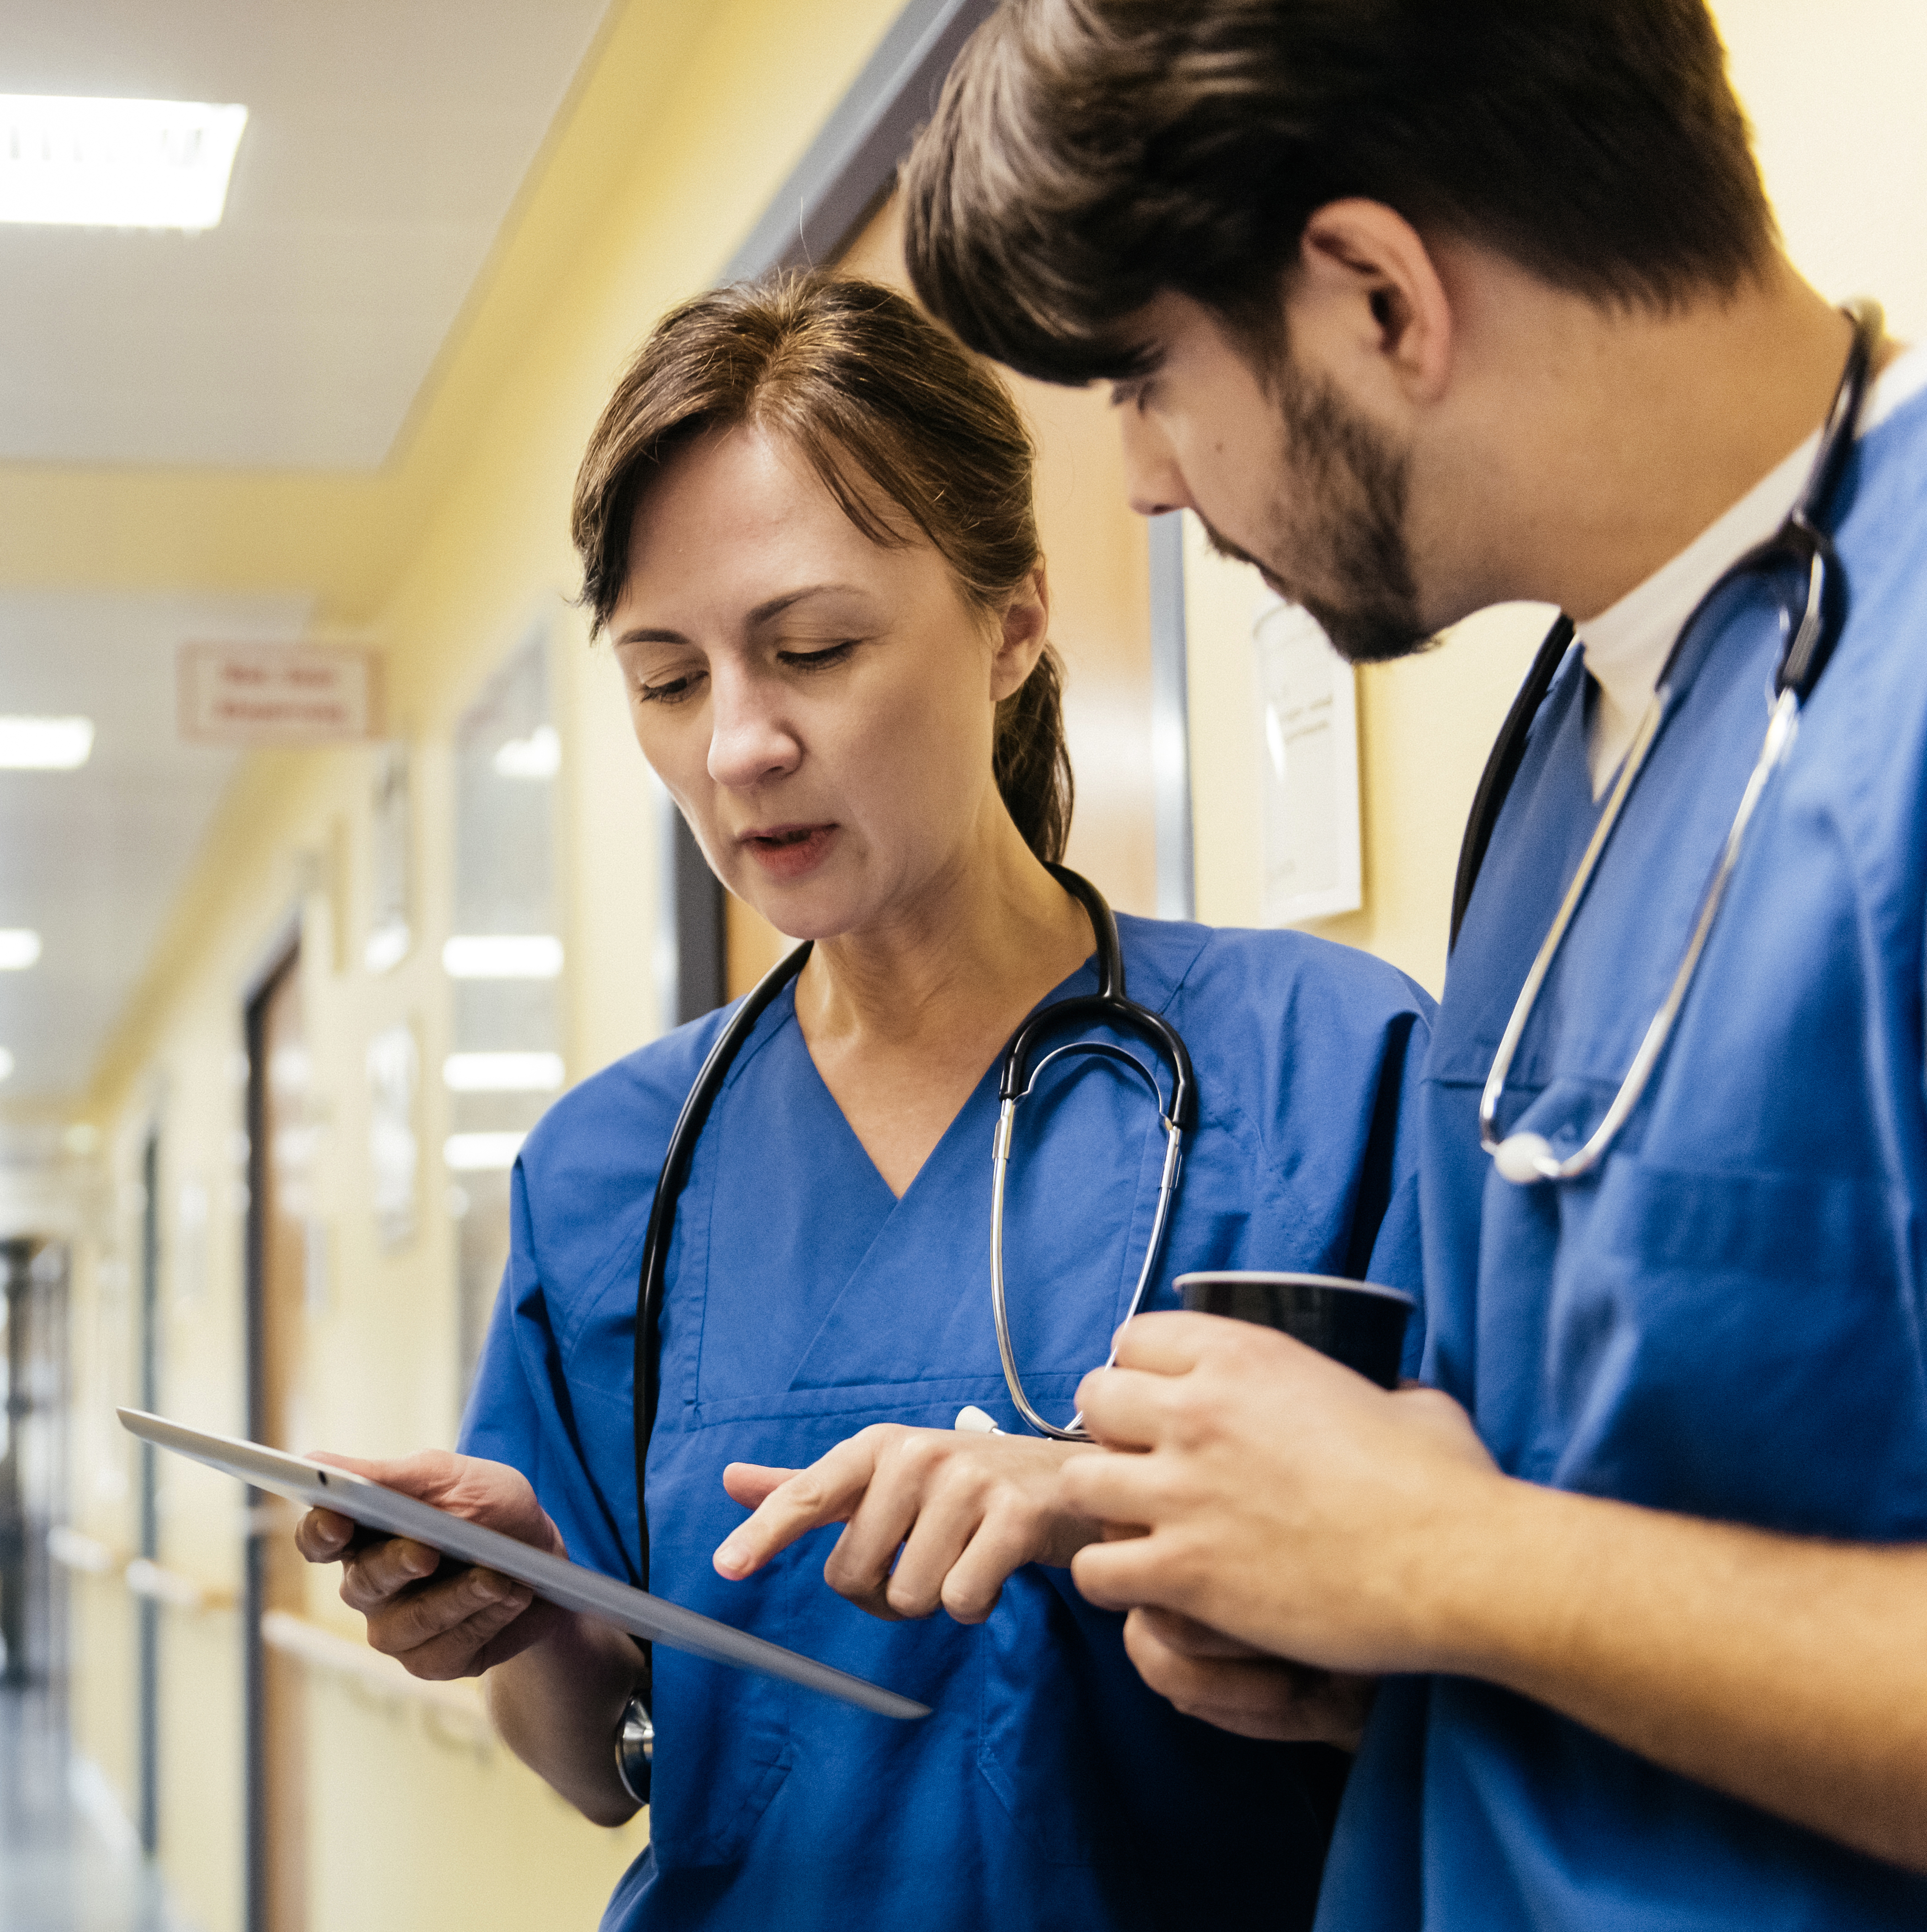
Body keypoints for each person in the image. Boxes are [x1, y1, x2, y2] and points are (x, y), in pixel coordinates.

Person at [899, 2, 1927, 1925]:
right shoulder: (1572, 737)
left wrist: (1449, 1563)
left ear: (1379, 296)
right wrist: (1343, 1615)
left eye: (1143, 375)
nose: (1138, 477)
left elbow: (1498, 1542)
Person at [292, 271, 1434, 1928]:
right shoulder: (613, 1167)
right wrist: (519, 1608)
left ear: (1015, 622)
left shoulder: (1328, 1066)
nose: (740, 746)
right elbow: (594, 1758)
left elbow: (1491, 1621)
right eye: (668, 680)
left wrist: (1110, 1511)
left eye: (812, 649)